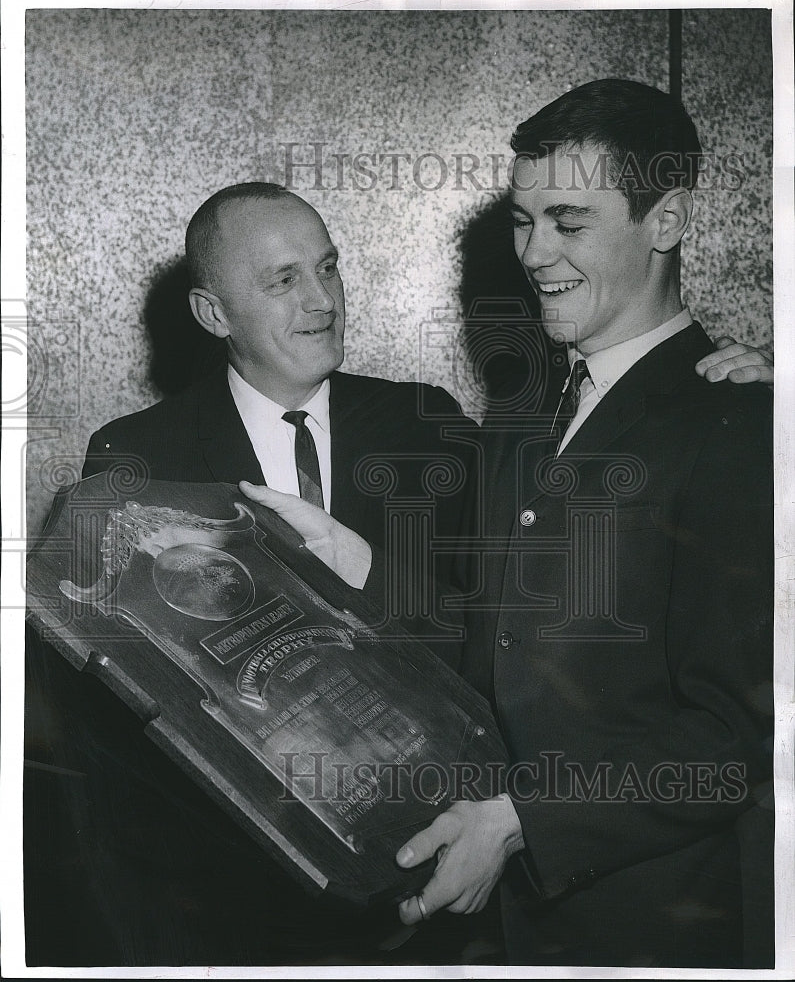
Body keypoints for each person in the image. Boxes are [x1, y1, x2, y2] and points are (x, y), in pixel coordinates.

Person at [26, 176, 770, 967]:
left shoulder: (428, 426)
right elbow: (118, 719)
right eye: (283, 281)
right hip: (227, 899)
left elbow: (498, 629)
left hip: (434, 887)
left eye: (329, 267)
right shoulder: (134, 454)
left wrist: (743, 387)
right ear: (214, 314)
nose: (322, 300)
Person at [247, 80, 774, 969]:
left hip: (648, 932)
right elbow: (496, 637)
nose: (535, 253)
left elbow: (735, 737)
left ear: (668, 219)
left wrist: (524, 818)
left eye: (569, 223)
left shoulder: (743, 422)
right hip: (502, 924)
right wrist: (355, 560)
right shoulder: (530, 414)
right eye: (523, 222)